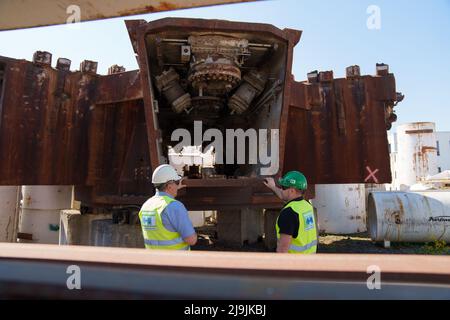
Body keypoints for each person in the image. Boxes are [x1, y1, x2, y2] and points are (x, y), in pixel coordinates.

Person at [139, 164, 197, 250]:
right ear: (169, 186)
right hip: (174, 261)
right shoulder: (174, 207)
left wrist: (175, 187)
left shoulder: (146, 205)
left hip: (153, 260)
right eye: (176, 183)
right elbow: (191, 240)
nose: (178, 185)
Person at [264, 171, 318, 254]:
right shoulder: (307, 206)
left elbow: (283, 250)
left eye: (283, 187)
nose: (281, 189)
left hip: (293, 264)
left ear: (292, 191)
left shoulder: (289, 213)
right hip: (309, 262)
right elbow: (283, 195)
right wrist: (273, 187)